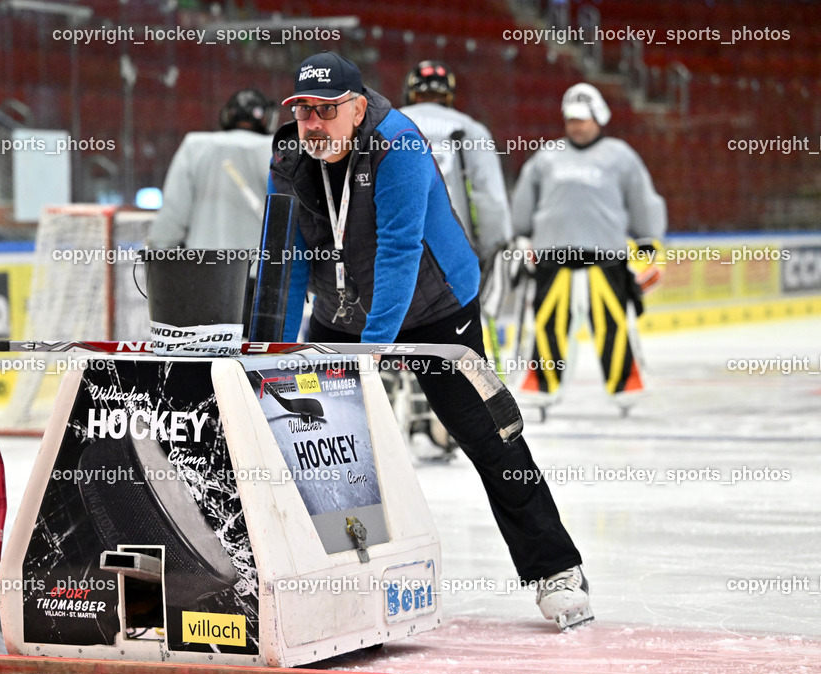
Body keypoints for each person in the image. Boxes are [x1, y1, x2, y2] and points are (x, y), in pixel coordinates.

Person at [268, 51, 592, 631]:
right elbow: (286, 257)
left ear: (358, 107)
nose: (312, 124)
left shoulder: (399, 144)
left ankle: (556, 568)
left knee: (492, 439)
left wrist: (371, 354)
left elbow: (399, 252)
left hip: (437, 308)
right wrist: (270, 346)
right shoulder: (290, 153)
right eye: (303, 112)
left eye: (325, 111)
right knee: (320, 445)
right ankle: (342, 574)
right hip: (342, 314)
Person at [511, 83, 667, 418]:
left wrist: (648, 243)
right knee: (548, 325)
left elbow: (643, 201)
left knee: (612, 323)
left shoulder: (621, 156)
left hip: (606, 257)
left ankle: (625, 383)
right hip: (552, 257)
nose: (576, 126)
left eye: (582, 119)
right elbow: (524, 200)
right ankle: (541, 383)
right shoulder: (546, 156)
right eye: (571, 119)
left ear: (599, 118)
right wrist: (521, 236)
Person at [399, 60, 512, 317]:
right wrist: (491, 251)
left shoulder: (387, 124)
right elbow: (490, 200)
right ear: (448, 95)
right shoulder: (470, 129)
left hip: (397, 252)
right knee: (454, 339)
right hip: (455, 256)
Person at [148, 88, 278, 249]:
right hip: (262, 268)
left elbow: (173, 215)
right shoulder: (278, 150)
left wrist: (158, 253)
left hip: (204, 267)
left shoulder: (194, 146)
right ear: (267, 117)